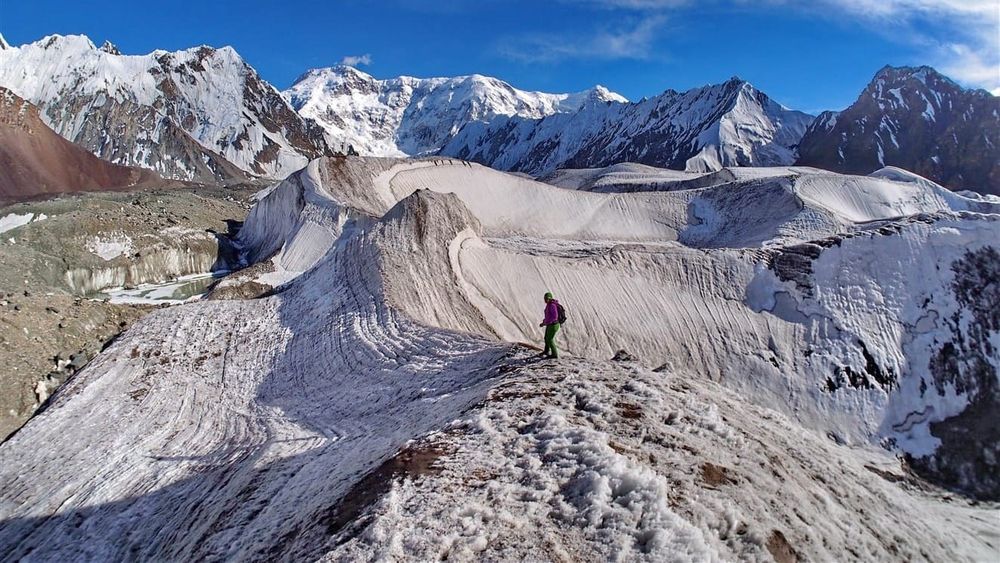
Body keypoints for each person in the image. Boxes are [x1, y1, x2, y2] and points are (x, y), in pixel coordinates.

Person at [539, 292, 561, 359]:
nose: (545, 300)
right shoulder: (549, 304)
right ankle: (546, 351)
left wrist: (547, 322)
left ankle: (554, 354)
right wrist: (544, 323)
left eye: (546, 298)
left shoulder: (552, 305)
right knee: (546, 338)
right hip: (550, 324)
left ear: (549, 298)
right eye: (544, 298)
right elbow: (548, 316)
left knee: (550, 339)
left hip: (553, 325)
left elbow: (555, 316)